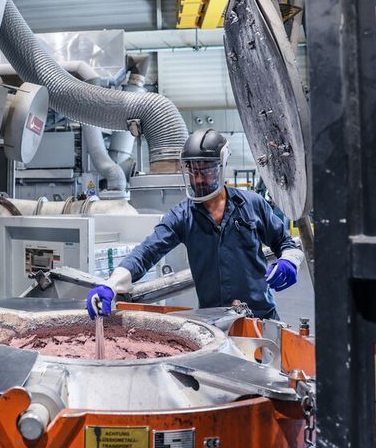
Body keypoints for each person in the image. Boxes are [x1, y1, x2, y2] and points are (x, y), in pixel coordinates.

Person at [87, 129, 304, 321]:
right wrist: (111, 284)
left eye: (206, 170)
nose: (199, 179)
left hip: (262, 317)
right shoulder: (182, 216)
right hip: (215, 322)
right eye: (193, 170)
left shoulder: (252, 204)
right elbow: (146, 252)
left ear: (222, 166)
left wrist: (290, 261)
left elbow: (285, 242)